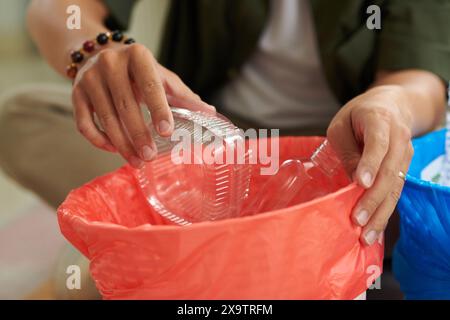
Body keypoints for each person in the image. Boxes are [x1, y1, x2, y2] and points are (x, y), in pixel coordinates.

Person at [0, 0, 448, 298]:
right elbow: (56, 8)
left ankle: (167, 254)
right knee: (21, 116)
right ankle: (229, 258)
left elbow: (419, 82)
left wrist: (388, 105)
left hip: (334, 157)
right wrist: (92, 52)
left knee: (407, 198)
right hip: (205, 151)